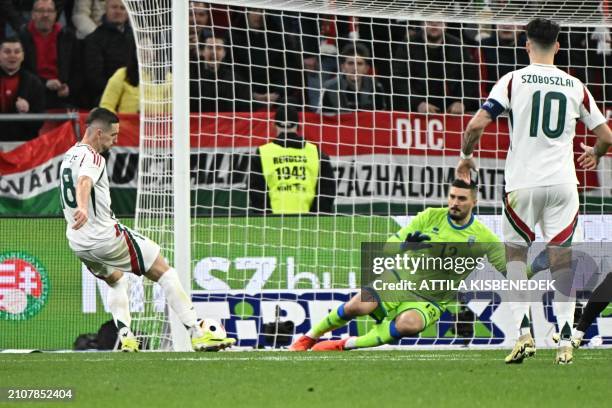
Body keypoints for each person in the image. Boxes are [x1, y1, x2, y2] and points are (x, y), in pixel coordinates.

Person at [456, 18, 612, 364]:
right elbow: (606, 137)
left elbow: (475, 125)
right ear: (557, 46)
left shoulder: (512, 81)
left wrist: (466, 158)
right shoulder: (575, 85)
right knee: (562, 263)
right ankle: (567, 341)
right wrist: (595, 154)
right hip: (563, 185)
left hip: (522, 184)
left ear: (527, 45)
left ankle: (524, 334)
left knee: (515, 258)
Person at [58, 107, 235, 352]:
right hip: (105, 236)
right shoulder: (94, 157)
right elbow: (84, 181)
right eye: (113, 136)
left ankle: (126, 337)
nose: (116, 140)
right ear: (99, 133)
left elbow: (78, 179)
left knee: (117, 280)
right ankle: (197, 332)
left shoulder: (69, 155)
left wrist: (81, 210)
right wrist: (83, 207)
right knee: (165, 271)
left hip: (79, 242)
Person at [290, 179, 506, 351]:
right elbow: (389, 246)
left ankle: (345, 344)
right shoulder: (430, 217)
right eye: (451, 197)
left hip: (431, 300)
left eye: (461, 198)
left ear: (474, 203)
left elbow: (511, 269)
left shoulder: (484, 237)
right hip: (400, 280)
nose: (454, 203)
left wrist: (536, 265)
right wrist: (405, 245)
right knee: (357, 306)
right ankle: (309, 337)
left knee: (408, 325)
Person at [248, 105, 336, 214]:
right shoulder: (316, 152)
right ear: (298, 125)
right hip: (310, 224)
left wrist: (268, 218)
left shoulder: (263, 153)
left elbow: (256, 194)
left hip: (272, 225)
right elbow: (327, 192)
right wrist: (313, 217)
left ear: (273, 125)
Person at [392, 21, 479, 113]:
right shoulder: (407, 46)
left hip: (451, 108)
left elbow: (470, 77)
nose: (434, 25)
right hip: (415, 108)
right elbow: (399, 78)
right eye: (430, 22)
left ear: (445, 26)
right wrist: (417, 103)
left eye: (438, 22)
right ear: (422, 25)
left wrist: (461, 102)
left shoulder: (458, 46)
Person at [20, 0, 80, 109]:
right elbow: (21, 70)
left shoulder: (68, 36)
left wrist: (69, 87)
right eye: (40, 11)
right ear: (32, 15)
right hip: (32, 92)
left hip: (61, 93)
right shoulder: (22, 37)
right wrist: (45, 83)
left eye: (49, 11)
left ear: (56, 14)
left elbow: (78, 67)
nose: (45, 15)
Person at [83, 0, 134, 107]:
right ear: (106, 10)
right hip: (105, 95)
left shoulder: (135, 39)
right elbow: (94, 77)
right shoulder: (94, 39)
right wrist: (117, 90)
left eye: (122, 8)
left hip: (133, 93)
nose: (118, 11)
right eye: (114, 7)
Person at [0, 36, 45, 142]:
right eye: (7, 52)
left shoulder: (34, 82)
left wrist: (26, 113)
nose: (12, 55)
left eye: (17, 52)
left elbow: (39, 123)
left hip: (24, 144)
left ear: (23, 56)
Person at [320, 43, 388, 113]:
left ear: (366, 69)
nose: (355, 68)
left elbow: (381, 118)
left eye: (359, 64)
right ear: (343, 67)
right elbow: (325, 119)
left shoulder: (376, 87)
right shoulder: (330, 88)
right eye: (350, 63)